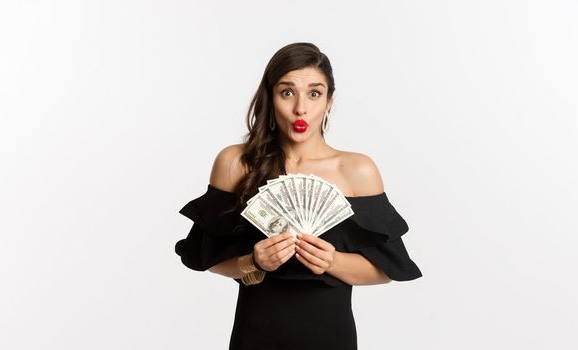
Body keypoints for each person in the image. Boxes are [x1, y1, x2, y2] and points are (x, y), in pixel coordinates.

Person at [175, 42, 422, 350]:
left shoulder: (358, 170)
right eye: (287, 92)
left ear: (329, 101)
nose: (300, 109)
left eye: (314, 93)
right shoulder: (235, 163)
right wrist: (254, 262)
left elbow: (387, 270)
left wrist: (331, 261)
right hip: (256, 335)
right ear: (270, 97)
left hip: (331, 336)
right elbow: (207, 258)